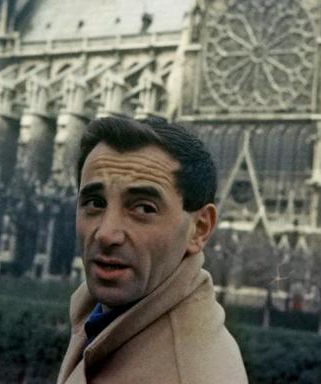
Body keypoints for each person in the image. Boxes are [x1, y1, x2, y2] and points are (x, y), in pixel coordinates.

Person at [56, 116, 248, 384]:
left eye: (143, 208)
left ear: (200, 228)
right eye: (95, 202)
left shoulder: (186, 374)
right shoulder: (109, 312)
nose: (106, 233)